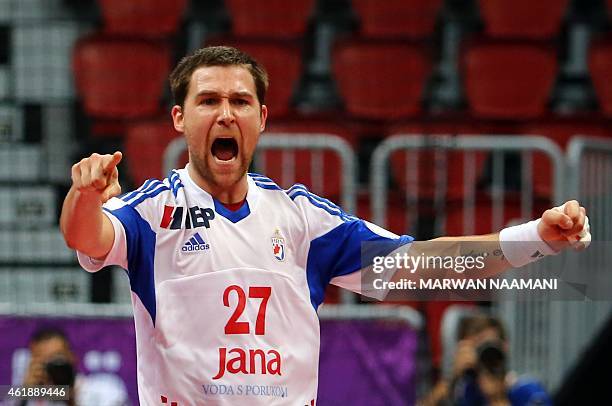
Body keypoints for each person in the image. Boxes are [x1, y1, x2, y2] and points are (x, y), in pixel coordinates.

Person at [60, 46, 590, 405]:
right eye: (208, 101)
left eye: (240, 101)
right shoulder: (154, 212)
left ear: (262, 119)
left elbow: (417, 267)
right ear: (180, 119)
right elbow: (87, 236)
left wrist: (532, 239)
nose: (226, 114)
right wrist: (84, 195)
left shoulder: (300, 219)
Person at [420, 314, 552, 406]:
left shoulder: (527, 390)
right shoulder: (467, 390)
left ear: (504, 347)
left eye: (488, 346)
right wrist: (451, 378)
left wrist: (497, 398)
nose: (483, 354)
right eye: (476, 348)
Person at [20, 328, 128, 406]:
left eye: (57, 358)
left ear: (72, 357)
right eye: (44, 360)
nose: (53, 366)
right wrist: (23, 396)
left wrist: (71, 400)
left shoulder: (106, 390)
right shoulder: (29, 397)